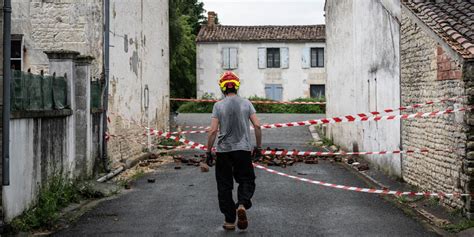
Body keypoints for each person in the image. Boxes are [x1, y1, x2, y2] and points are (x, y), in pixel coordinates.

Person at [205, 71, 262, 231]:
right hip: (243, 150)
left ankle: (230, 220)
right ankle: (242, 204)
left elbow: (212, 131)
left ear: (222, 88)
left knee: (224, 185)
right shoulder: (246, 103)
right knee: (246, 180)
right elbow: (257, 126)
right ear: (237, 86)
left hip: (223, 152)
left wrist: (208, 152)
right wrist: (258, 147)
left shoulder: (218, 105)